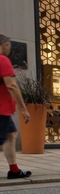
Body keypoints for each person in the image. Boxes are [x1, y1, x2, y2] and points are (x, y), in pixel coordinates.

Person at [0, 34, 32, 179]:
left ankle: (14, 170)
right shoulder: (2, 60)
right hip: (1, 110)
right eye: (9, 46)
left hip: (4, 110)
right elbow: (12, 85)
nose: (9, 49)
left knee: (10, 135)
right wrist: (24, 109)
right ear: (4, 45)